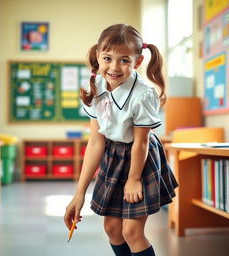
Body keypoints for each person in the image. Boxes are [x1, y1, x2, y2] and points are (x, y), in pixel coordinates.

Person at [64, 24, 178, 256]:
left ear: (137, 62)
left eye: (124, 60)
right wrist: (79, 193)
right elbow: (96, 142)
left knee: (132, 233)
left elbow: (141, 142)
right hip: (113, 156)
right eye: (107, 58)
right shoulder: (93, 87)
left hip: (140, 157)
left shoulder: (143, 94)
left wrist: (134, 179)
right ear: (98, 55)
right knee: (112, 229)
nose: (114, 67)